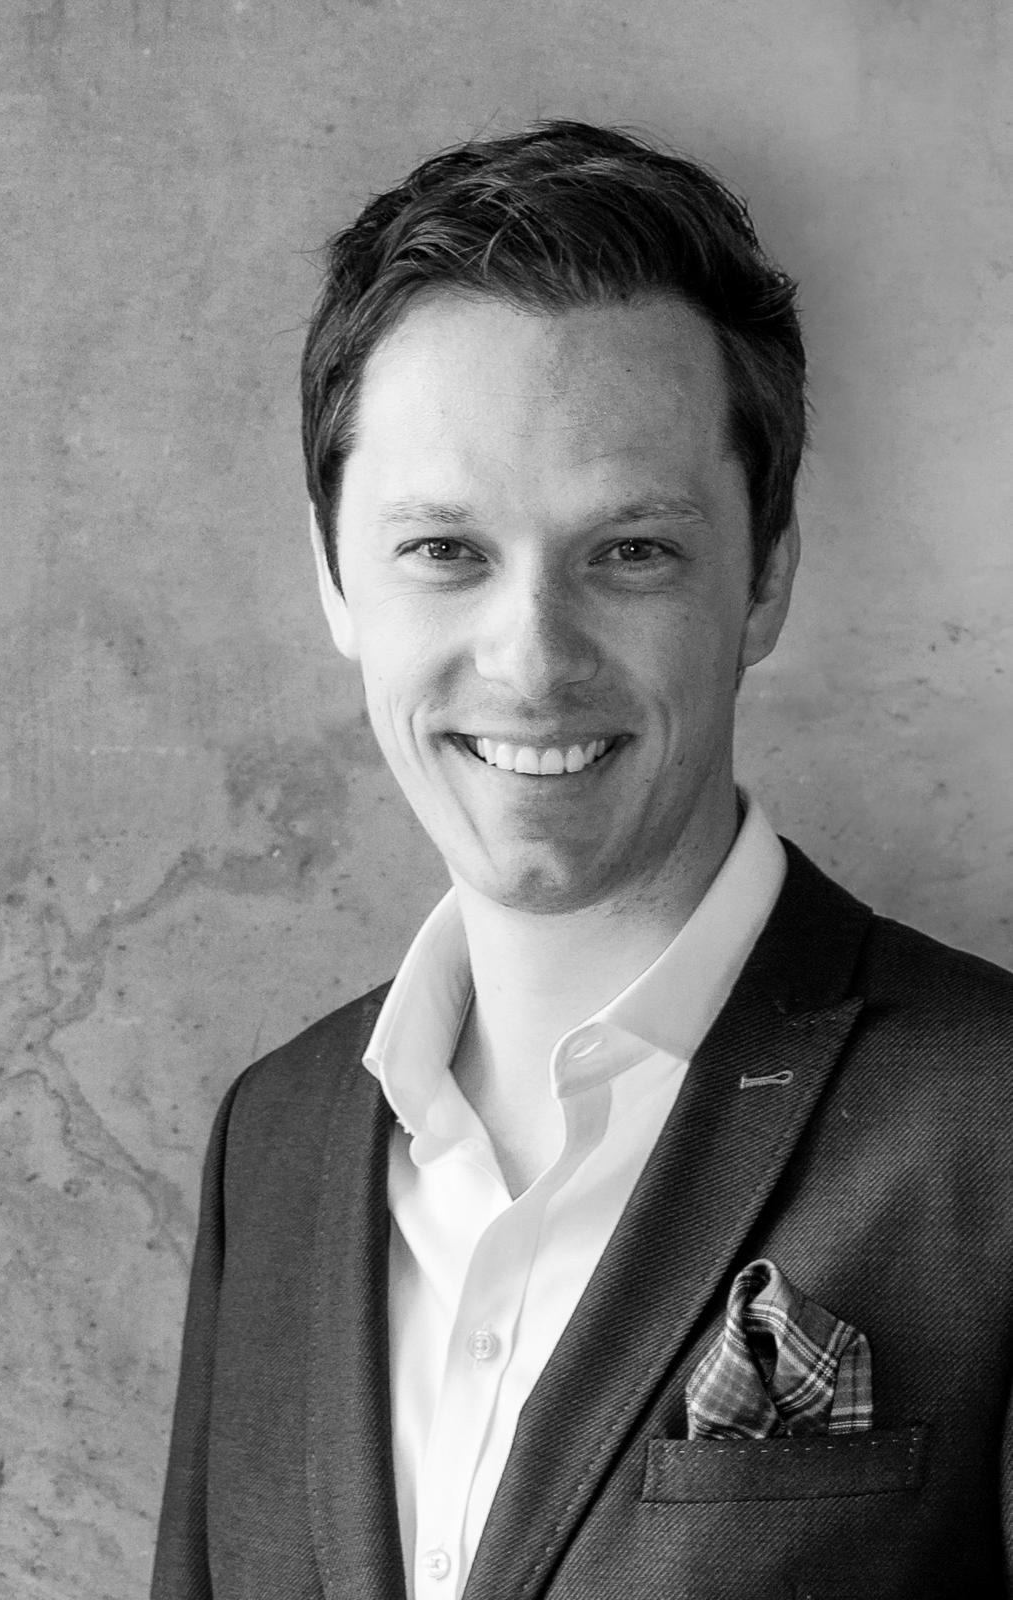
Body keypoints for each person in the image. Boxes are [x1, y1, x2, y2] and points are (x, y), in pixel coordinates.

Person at [151, 121, 1013, 1600]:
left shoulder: (990, 1119)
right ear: (335, 576)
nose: (533, 662)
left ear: (766, 576)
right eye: (445, 551)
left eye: (631, 551)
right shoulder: (272, 1140)